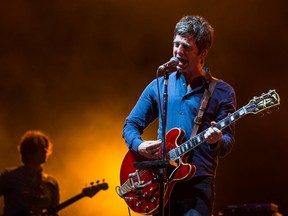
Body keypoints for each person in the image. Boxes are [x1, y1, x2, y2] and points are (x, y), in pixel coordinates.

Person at [122, 15, 236, 216]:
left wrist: (217, 141)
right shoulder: (159, 84)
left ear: (203, 53)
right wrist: (139, 145)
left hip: (197, 184)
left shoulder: (222, 92)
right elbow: (131, 124)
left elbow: (228, 141)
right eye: (176, 44)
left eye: (186, 47)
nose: (178, 52)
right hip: (160, 182)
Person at [0, 130, 60, 216]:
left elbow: (54, 213)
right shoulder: (9, 176)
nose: (45, 151)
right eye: (40, 148)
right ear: (28, 152)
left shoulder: (52, 183)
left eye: (46, 148)